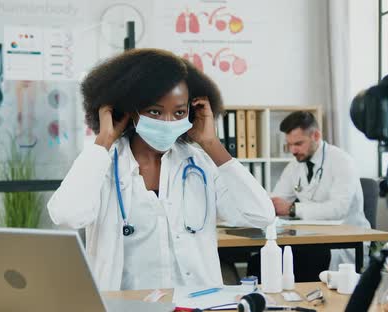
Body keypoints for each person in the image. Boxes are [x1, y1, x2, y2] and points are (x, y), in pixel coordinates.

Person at [47, 49, 275, 291]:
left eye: (178, 112)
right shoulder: (103, 164)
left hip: (197, 304)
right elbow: (66, 215)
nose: (168, 122)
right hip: (126, 307)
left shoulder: (199, 164)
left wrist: (212, 145)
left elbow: (261, 215)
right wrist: (104, 140)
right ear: (128, 110)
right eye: (155, 111)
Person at [271, 111, 371, 270]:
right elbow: (277, 200)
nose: (293, 150)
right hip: (310, 239)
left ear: (316, 136)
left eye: (298, 144)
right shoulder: (295, 165)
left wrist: (292, 209)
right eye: (289, 145)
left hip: (342, 243)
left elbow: (338, 209)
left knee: (287, 264)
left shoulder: (342, 162)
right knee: (262, 261)